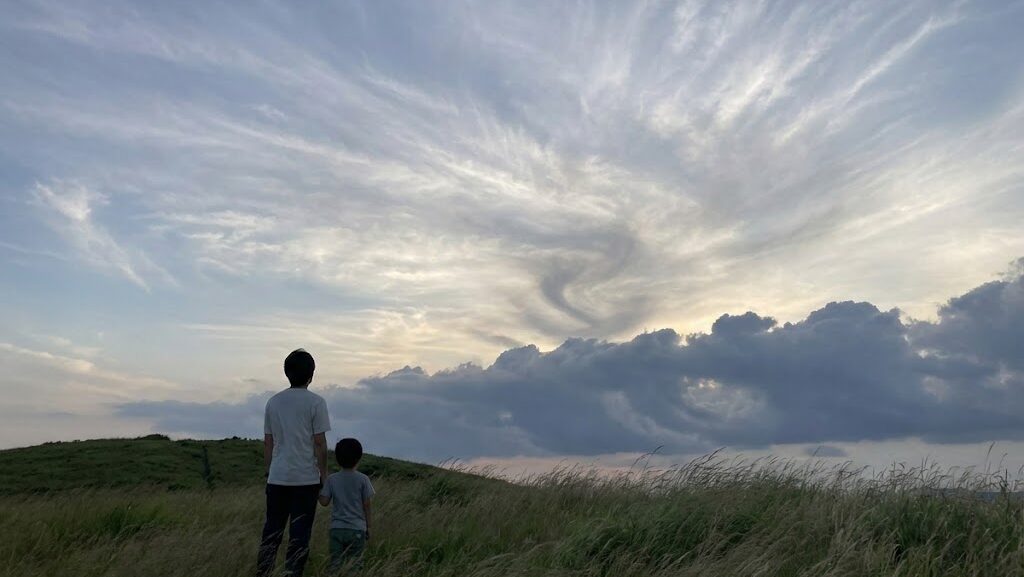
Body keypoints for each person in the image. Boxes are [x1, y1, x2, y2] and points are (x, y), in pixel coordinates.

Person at [256, 349, 331, 577]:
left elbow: (268, 442)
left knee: (272, 532)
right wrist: (324, 475)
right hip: (306, 479)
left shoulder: (273, 402)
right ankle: (293, 573)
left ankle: (264, 572)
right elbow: (320, 443)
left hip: (278, 477)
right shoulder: (316, 403)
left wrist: (269, 471)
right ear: (311, 375)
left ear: (287, 373)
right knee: (300, 535)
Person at [319, 437, 375, 573]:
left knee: (335, 565)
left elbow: (324, 502)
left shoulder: (332, 479)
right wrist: (369, 526)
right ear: (359, 458)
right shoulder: (363, 479)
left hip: (336, 529)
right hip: (357, 529)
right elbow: (367, 504)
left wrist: (318, 486)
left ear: (337, 458)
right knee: (354, 566)